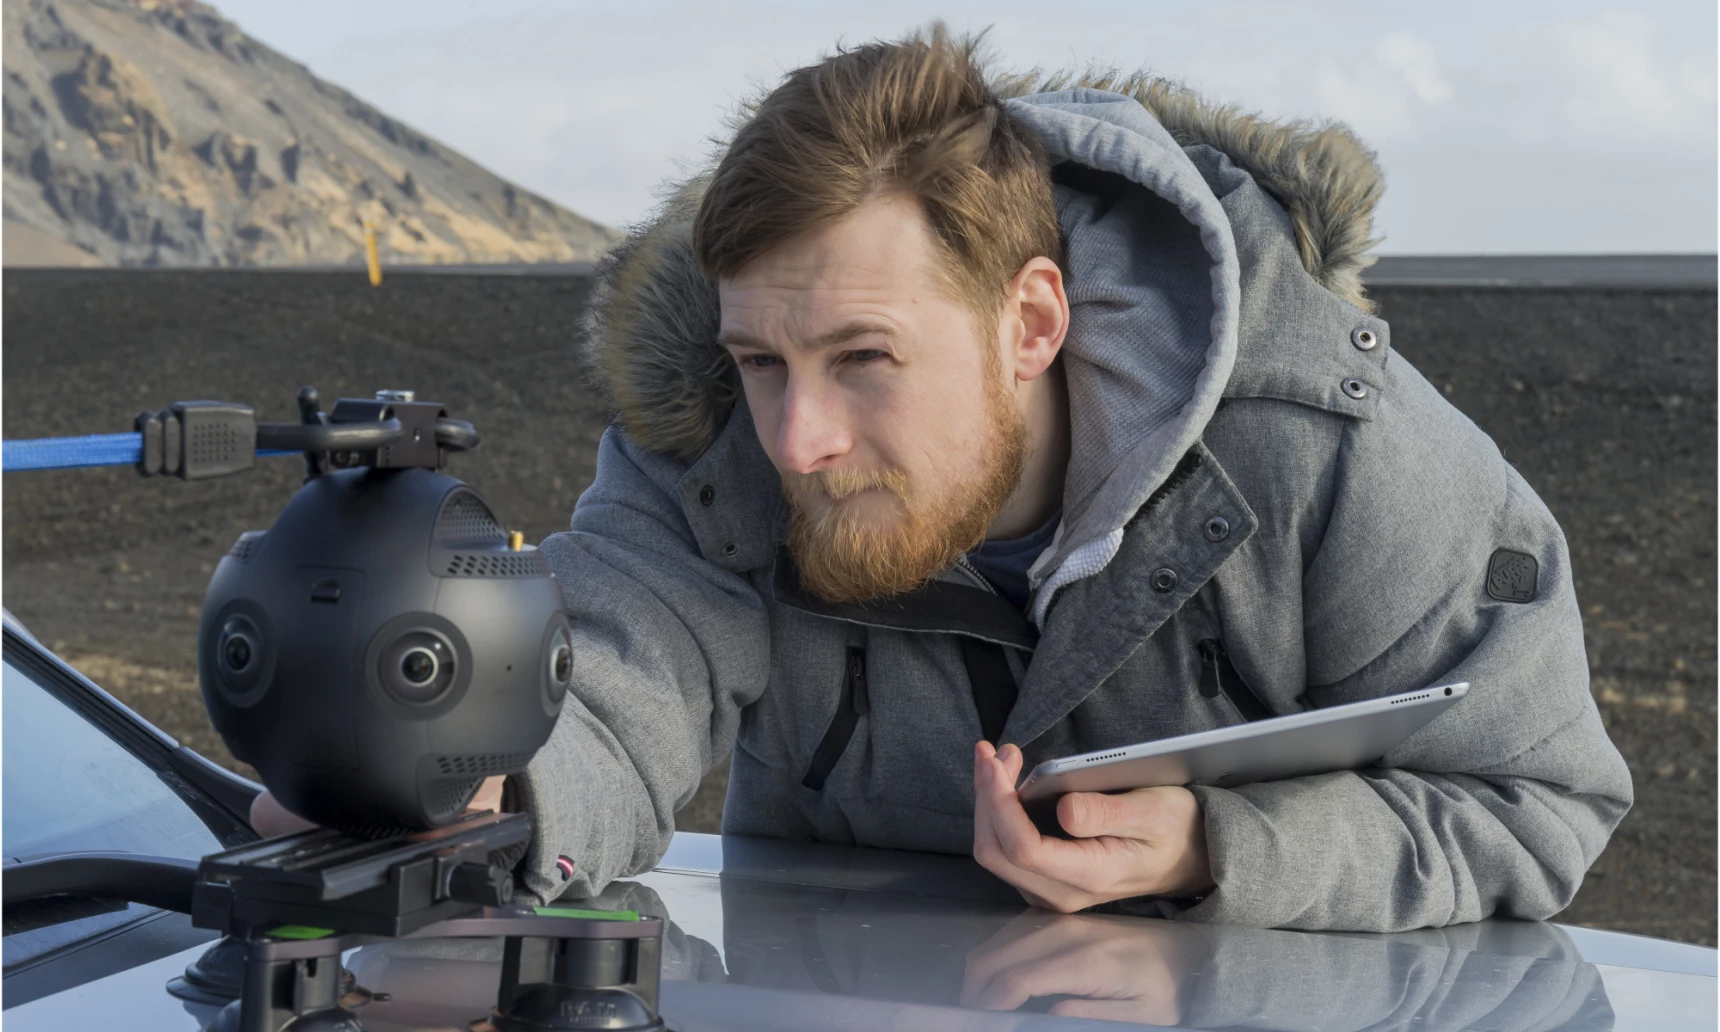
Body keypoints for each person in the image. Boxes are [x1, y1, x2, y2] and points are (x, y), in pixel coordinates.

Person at [255, 28, 1632, 932]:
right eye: (758, 359)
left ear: (1032, 323)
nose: (796, 439)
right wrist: (471, 791)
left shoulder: (1339, 454)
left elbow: (1536, 800)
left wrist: (1227, 849)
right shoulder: (713, 452)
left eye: (863, 358)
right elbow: (606, 684)